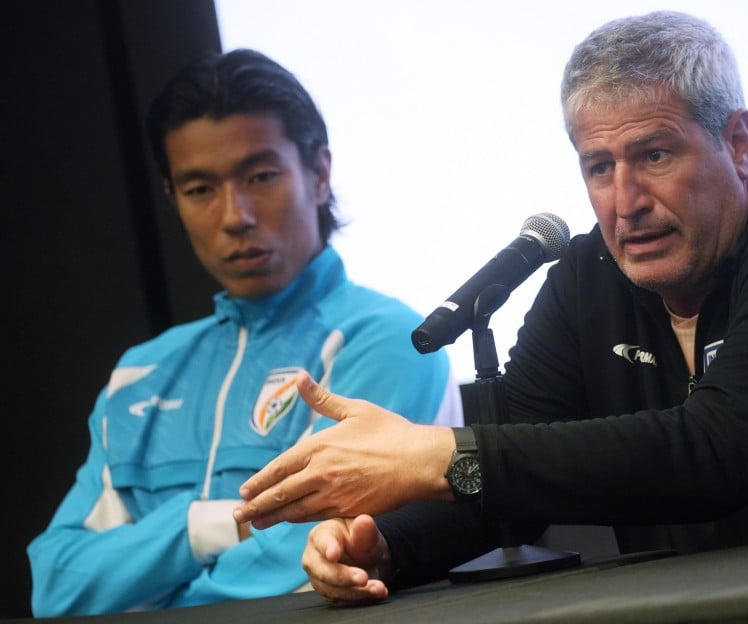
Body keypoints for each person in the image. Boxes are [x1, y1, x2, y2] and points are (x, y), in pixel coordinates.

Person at [231, 11, 748, 602]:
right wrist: (381, 545)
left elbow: (717, 451)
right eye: (598, 166)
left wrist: (444, 455)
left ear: (738, 143)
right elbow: (510, 471)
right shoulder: (586, 279)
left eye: (655, 155)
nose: (625, 200)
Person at [26, 48, 462, 616]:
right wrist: (203, 526)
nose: (235, 215)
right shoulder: (141, 371)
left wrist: (146, 584)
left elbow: (303, 569)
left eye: (260, 176)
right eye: (200, 188)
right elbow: (58, 586)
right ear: (172, 199)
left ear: (320, 174)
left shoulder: (391, 338)